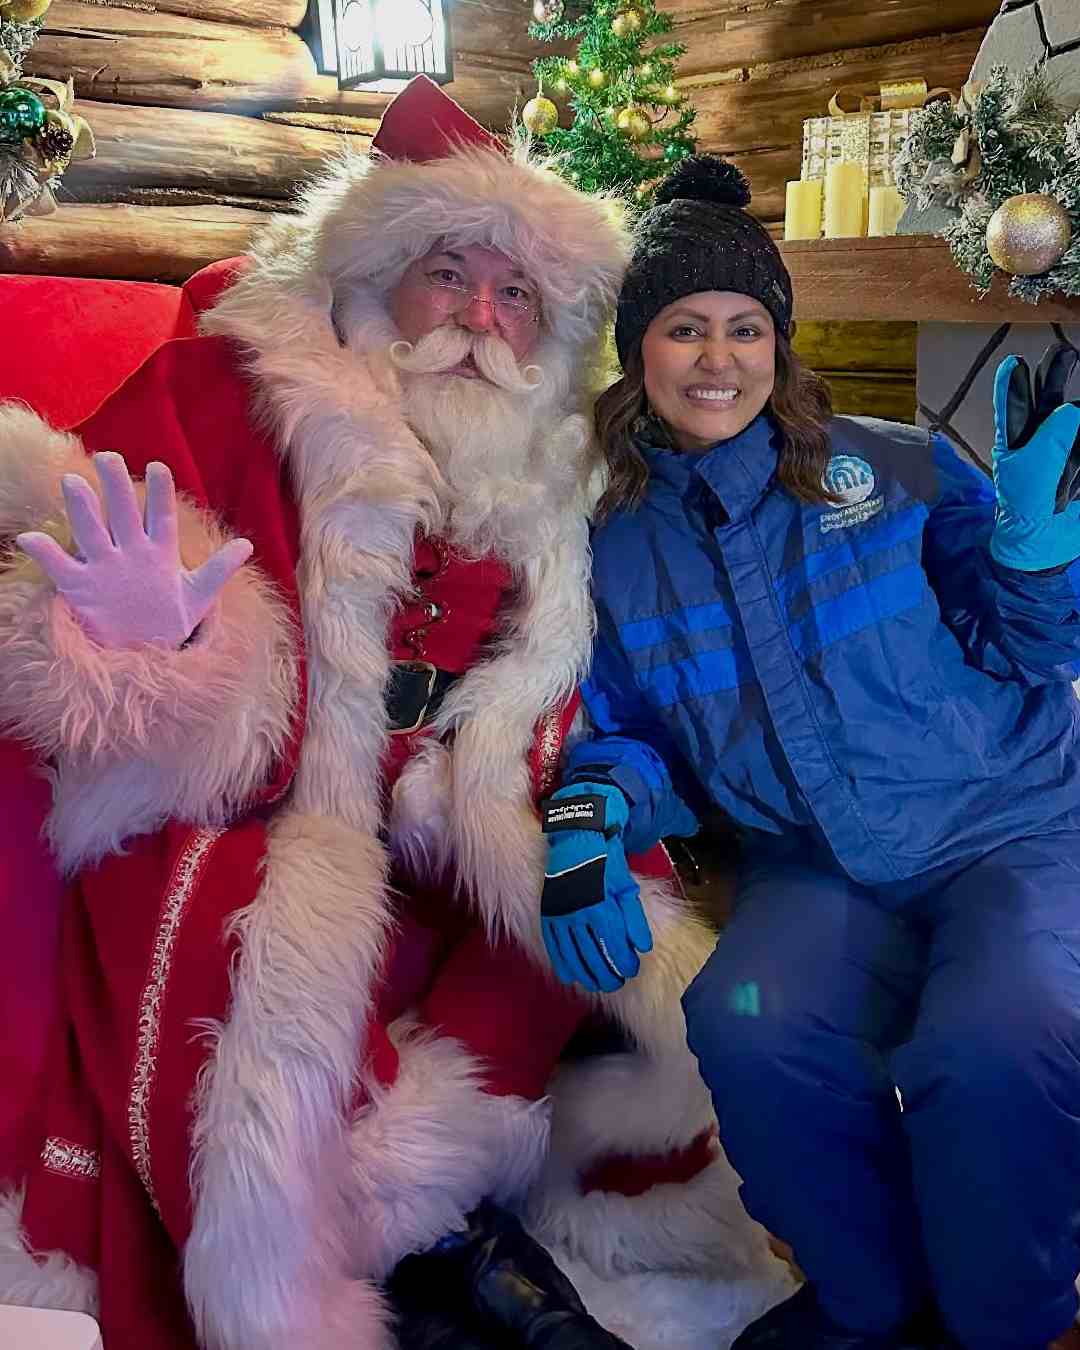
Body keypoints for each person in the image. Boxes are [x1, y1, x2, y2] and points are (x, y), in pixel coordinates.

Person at [0, 89, 781, 1350]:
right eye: (448, 274)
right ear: (372, 280)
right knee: (259, 937)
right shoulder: (224, 384)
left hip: (447, 808)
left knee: (600, 915)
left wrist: (565, 807)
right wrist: (156, 643)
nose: (479, 317)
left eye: (516, 295)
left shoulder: (557, 467)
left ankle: (509, 1227)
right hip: (232, 804)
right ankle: (327, 1287)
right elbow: (71, 575)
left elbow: (581, 699)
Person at [538, 153, 1080, 1350]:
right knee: (749, 1024)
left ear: (780, 342)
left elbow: (1030, 647)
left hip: (1011, 825)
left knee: (995, 1046)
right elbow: (625, 732)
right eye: (685, 329)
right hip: (814, 861)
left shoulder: (892, 461)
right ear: (640, 352)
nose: (719, 357)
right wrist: (586, 822)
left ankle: (1005, 1322)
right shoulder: (616, 544)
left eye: (745, 326)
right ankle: (869, 1304)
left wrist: (1038, 562)